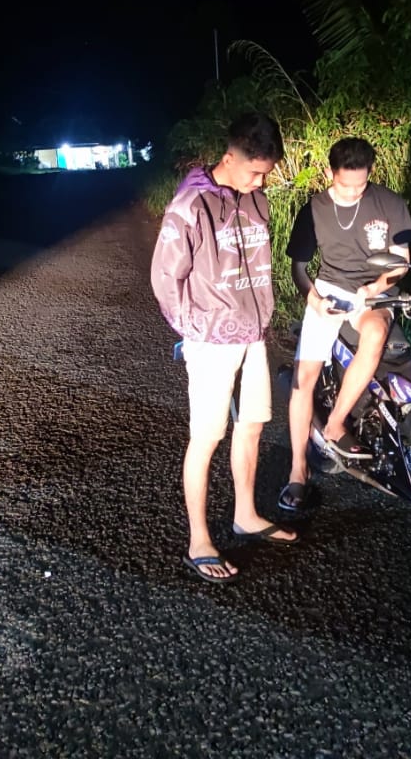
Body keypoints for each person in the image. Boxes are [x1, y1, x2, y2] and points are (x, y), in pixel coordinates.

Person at [150, 111, 299, 584]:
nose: (260, 182)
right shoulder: (190, 205)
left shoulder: (257, 200)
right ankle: (199, 538)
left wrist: (260, 317)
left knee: (252, 425)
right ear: (230, 157)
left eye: (266, 174)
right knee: (207, 437)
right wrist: (195, 328)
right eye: (255, 172)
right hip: (211, 340)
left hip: (253, 334)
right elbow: (164, 278)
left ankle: (245, 515)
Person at [280, 137, 411, 512]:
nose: (353, 192)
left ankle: (336, 424)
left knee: (375, 333)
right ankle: (298, 470)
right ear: (330, 173)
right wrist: (314, 300)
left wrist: (375, 287)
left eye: (361, 184)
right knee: (303, 378)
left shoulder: (390, 202)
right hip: (328, 290)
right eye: (345, 185)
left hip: (373, 293)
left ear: (370, 173)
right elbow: (299, 268)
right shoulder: (314, 208)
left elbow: (402, 262)